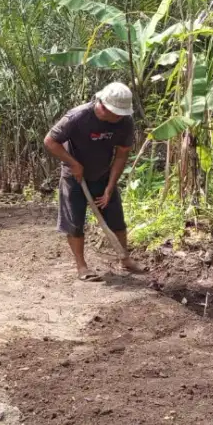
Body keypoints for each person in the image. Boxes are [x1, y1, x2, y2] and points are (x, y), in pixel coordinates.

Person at [43, 82, 145, 281]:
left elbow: (122, 154)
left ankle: (125, 259)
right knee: (74, 223)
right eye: (116, 113)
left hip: (103, 175)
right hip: (74, 178)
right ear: (103, 105)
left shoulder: (124, 121)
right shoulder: (77, 117)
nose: (120, 117)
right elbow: (50, 141)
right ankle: (82, 267)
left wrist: (110, 186)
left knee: (116, 219)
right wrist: (73, 163)